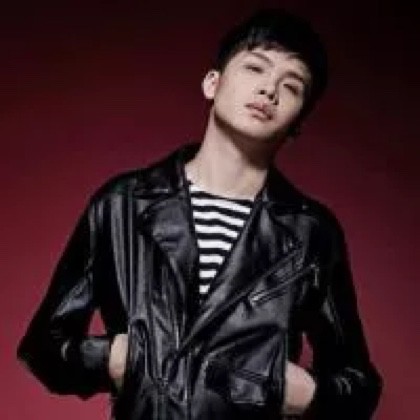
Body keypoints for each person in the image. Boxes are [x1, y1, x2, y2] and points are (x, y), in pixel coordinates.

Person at [17, 8, 382, 420]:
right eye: (255, 68)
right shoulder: (122, 204)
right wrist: (112, 358)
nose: (269, 90)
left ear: (298, 121)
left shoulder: (312, 232)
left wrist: (308, 393)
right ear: (213, 82)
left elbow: (358, 385)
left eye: (291, 86)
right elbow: (44, 346)